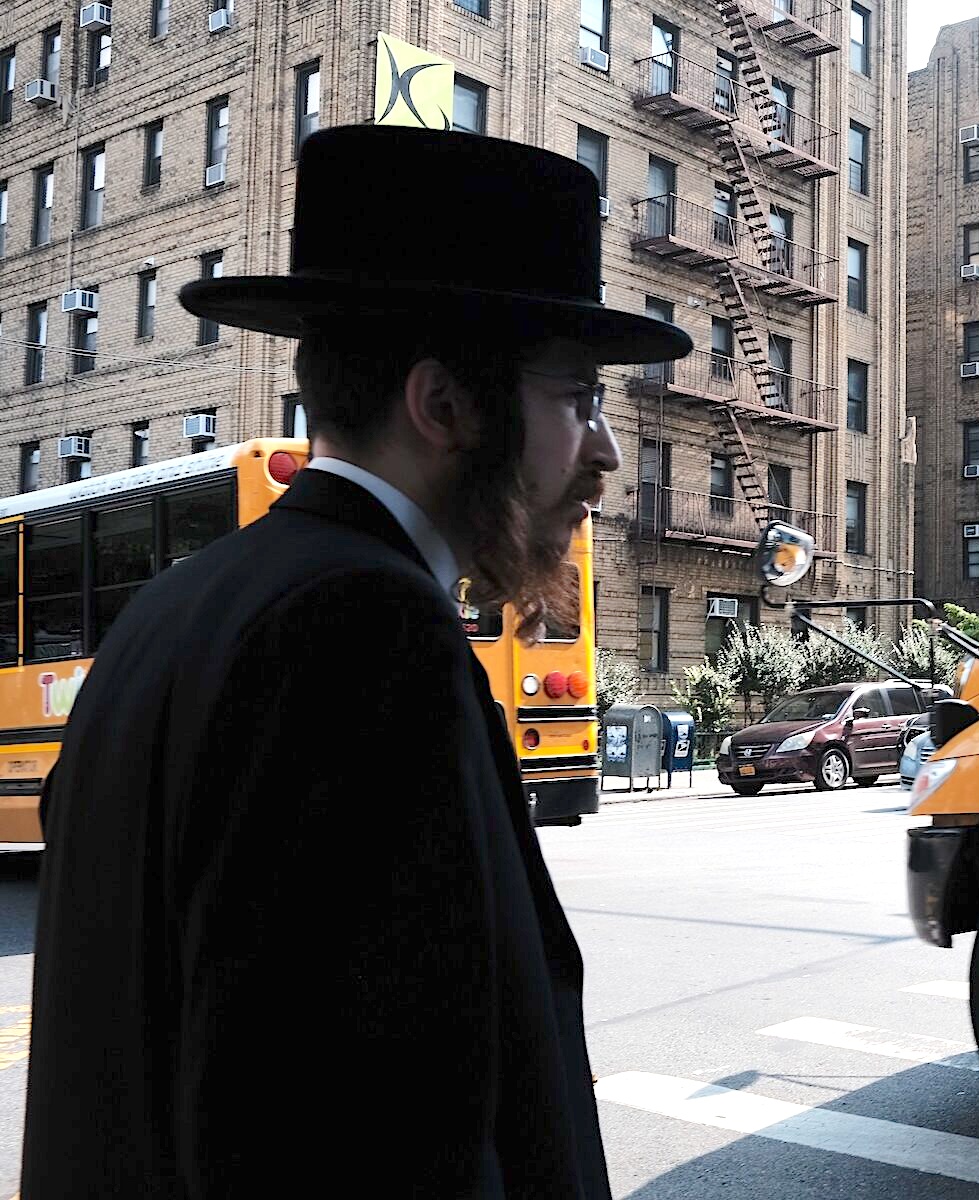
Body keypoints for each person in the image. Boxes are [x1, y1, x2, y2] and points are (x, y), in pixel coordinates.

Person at [23, 126, 690, 1197]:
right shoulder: (369, 632)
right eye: (578, 399)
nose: (606, 452)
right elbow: (368, 1139)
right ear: (444, 407)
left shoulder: (170, 609)